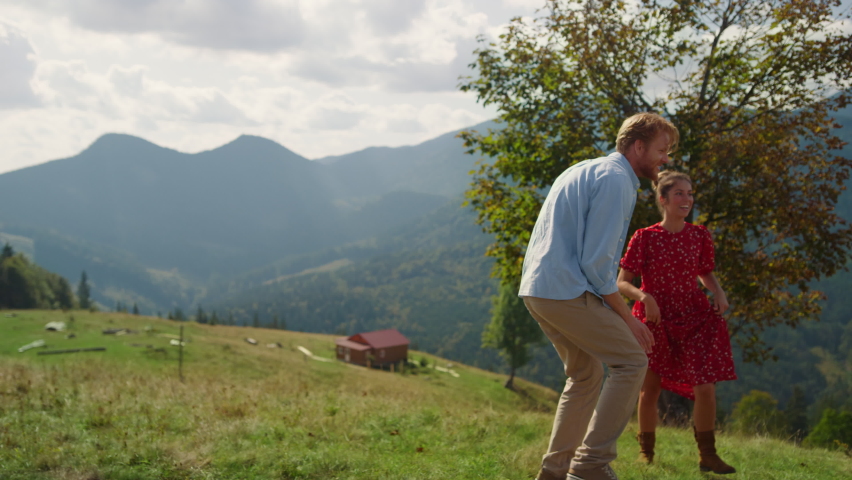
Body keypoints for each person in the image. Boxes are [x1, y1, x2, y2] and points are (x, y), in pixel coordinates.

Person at [520, 112, 678, 480]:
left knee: (586, 375)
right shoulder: (617, 181)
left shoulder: (584, 169)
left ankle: (554, 473)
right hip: (566, 290)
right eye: (661, 150)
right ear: (638, 147)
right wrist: (629, 319)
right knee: (632, 360)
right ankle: (591, 464)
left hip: (540, 288)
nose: (665, 159)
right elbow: (598, 264)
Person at [617, 171, 737, 475]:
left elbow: (705, 272)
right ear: (663, 199)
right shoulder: (644, 237)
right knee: (651, 388)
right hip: (655, 319)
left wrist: (718, 290)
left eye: (690, 193)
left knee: (706, 387)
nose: (687, 199)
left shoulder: (699, 235)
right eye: (680, 193)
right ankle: (646, 452)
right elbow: (622, 283)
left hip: (694, 317)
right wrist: (645, 298)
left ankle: (707, 455)